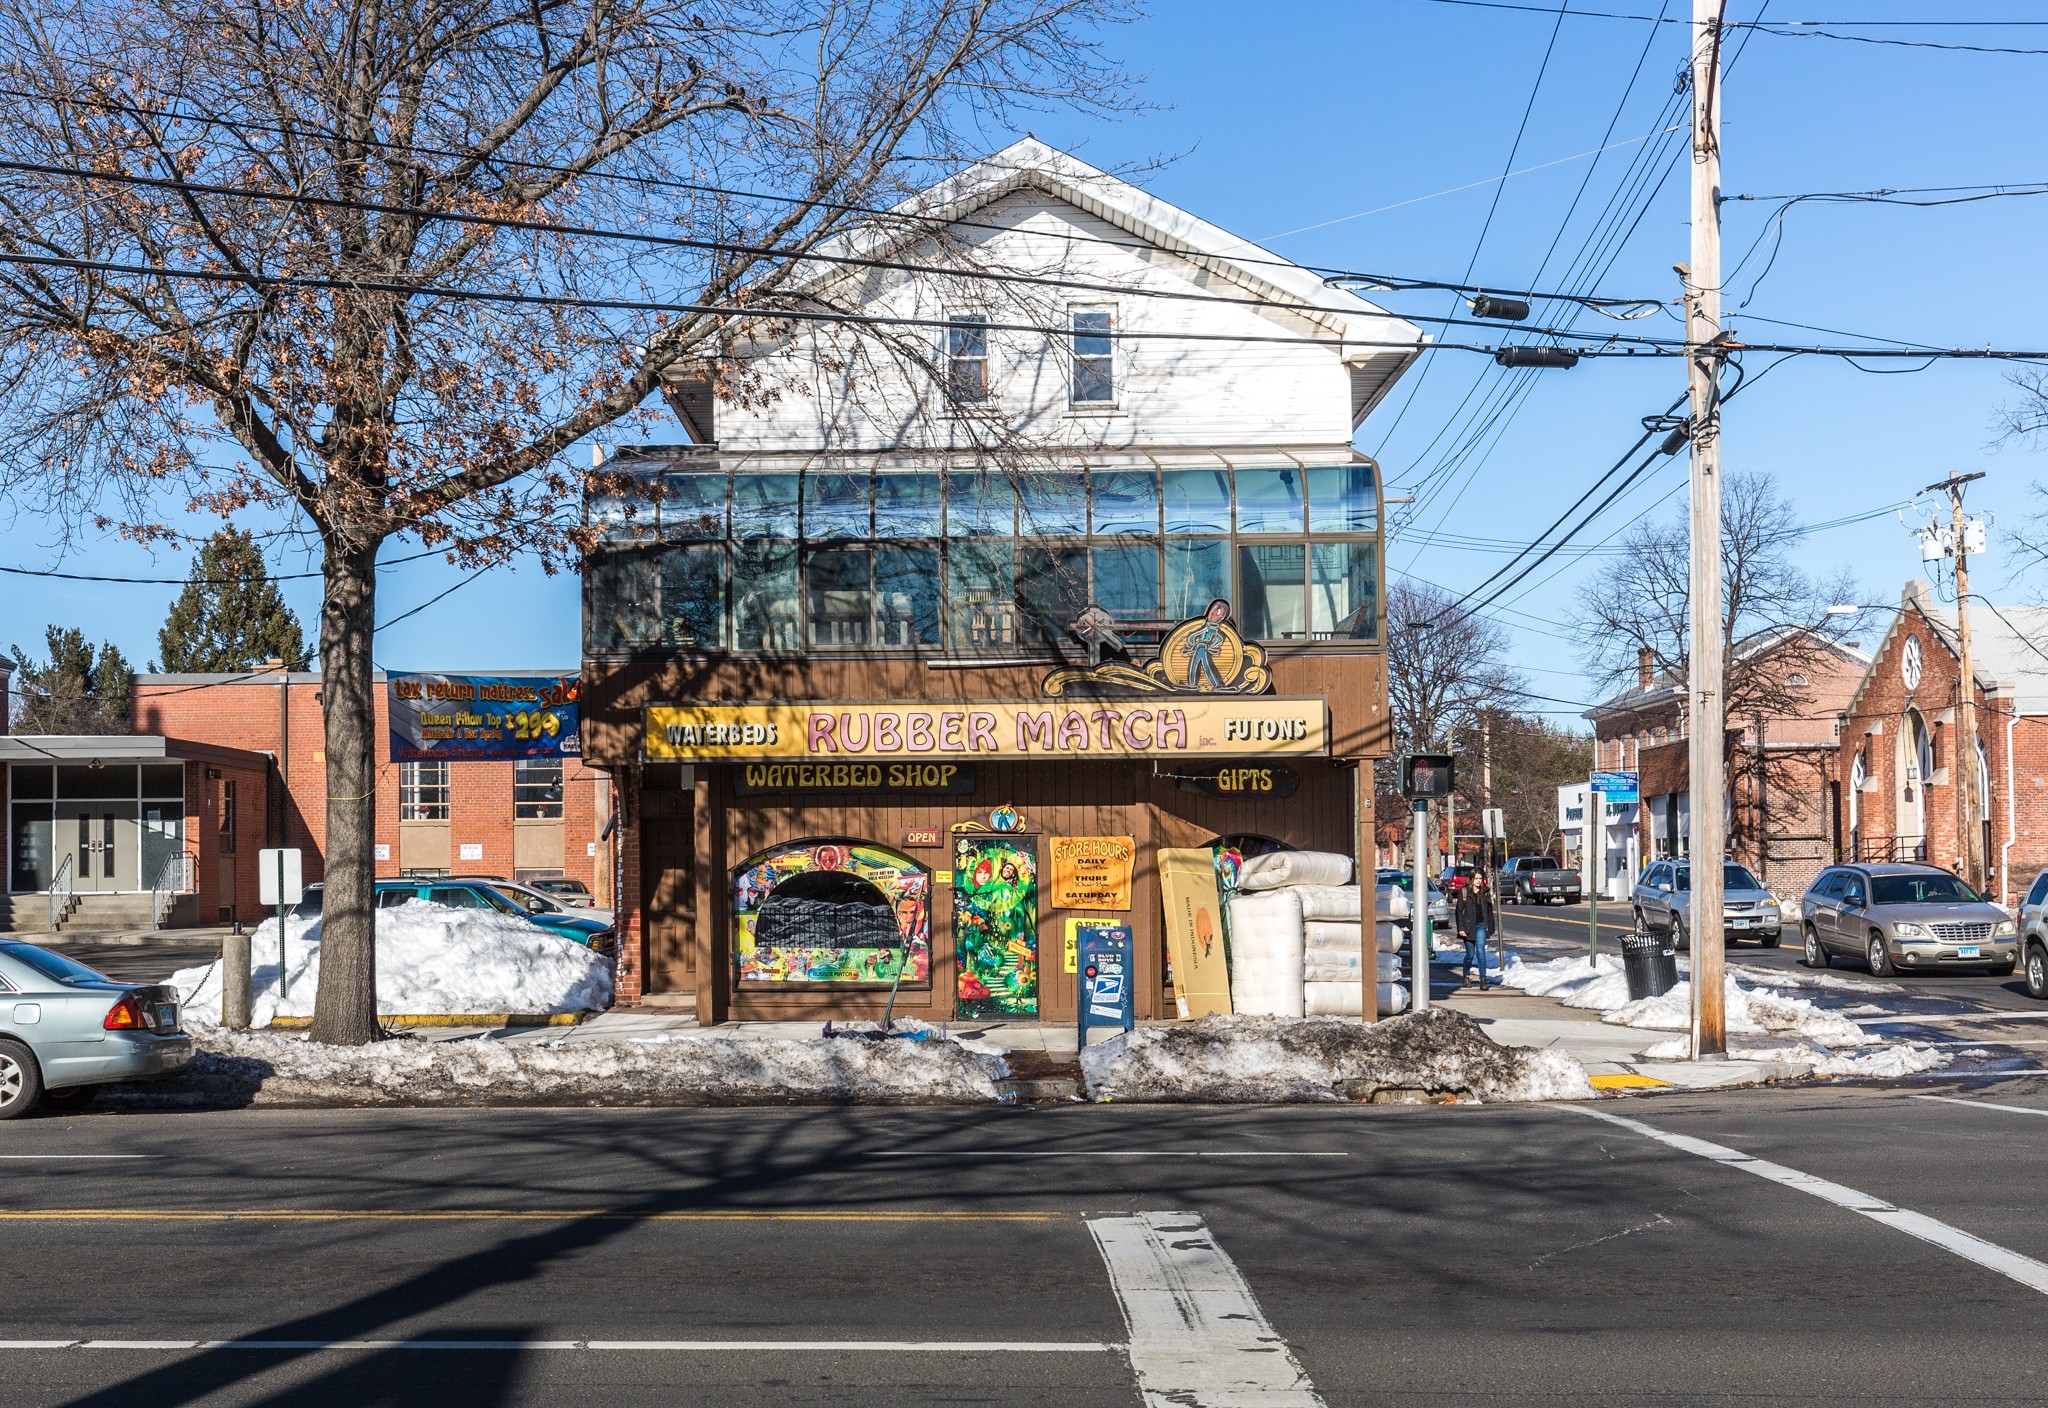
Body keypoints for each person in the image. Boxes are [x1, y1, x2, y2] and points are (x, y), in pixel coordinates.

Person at [1456, 876, 1498, 989]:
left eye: (1480, 878)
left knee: (1481, 951)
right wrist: (1461, 928)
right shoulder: (1464, 892)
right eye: (1476, 878)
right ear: (1471, 879)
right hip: (1468, 926)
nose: (1479, 881)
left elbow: (1489, 912)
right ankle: (1465, 976)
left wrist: (1490, 927)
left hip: (1481, 925)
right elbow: (1459, 911)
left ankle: (1483, 980)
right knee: (1470, 954)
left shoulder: (1485, 892)